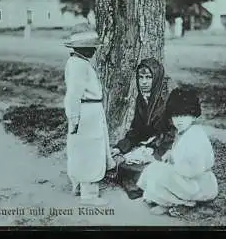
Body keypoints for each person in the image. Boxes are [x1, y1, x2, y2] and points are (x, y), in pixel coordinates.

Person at [136, 87, 219, 215]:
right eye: (176, 115)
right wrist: (171, 157)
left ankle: (182, 203)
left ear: (193, 115)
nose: (179, 120)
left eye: (184, 115)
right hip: (187, 178)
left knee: (161, 173)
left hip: (199, 183)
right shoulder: (183, 132)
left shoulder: (196, 135)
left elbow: (195, 167)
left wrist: (174, 167)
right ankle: (169, 200)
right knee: (154, 169)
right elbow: (179, 153)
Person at [63, 24, 115, 206]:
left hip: (91, 111)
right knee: (89, 149)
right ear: (82, 48)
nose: (94, 50)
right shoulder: (78, 66)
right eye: (91, 47)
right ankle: (89, 193)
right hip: (86, 113)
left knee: (84, 148)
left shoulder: (80, 63)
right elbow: (73, 95)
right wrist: (74, 117)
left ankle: (79, 184)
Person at [110, 58, 176, 200]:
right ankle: (137, 181)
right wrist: (121, 147)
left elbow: (172, 133)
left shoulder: (167, 100)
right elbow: (137, 131)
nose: (144, 82)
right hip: (150, 145)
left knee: (146, 169)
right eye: (141, 77)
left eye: (148, 77)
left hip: (166, 147)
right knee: (120, 163)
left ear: (156, 78)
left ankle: (140, 184)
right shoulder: (142, 99)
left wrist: (155, 153)